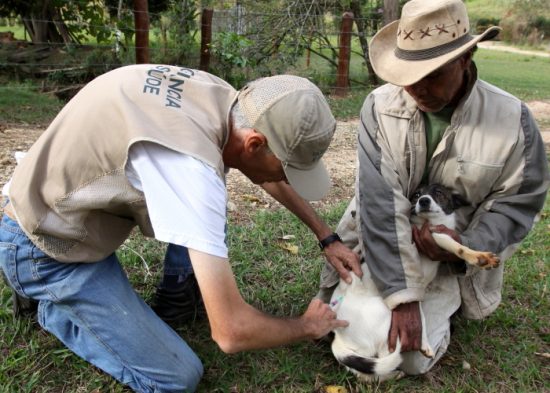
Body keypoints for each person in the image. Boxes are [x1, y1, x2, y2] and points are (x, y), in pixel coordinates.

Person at [0, 65, 362, 392]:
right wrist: (305, 326)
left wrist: (325, 235)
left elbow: (261, 169)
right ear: (254, 143)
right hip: (45, 248)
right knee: (176, 378)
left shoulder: (220, 96)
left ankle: (175, 295)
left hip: (46, 200)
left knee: (210, 204)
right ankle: (51, 306)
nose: (285, 179)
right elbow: (231, 333)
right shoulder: (190, 170)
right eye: (287, 170)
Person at [318, 0, 549, 376]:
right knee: (332, 329)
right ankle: (395, 298)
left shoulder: (513, 120)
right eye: (408, 74)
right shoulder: (378, 106)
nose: (417, 88)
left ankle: (446, 305)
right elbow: (379, 203)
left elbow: (516, 205)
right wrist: (403, 297)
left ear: (466, 57)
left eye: (433, 74)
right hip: (380, 240)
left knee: (410, 360)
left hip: (448, 259)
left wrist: (461, 251)